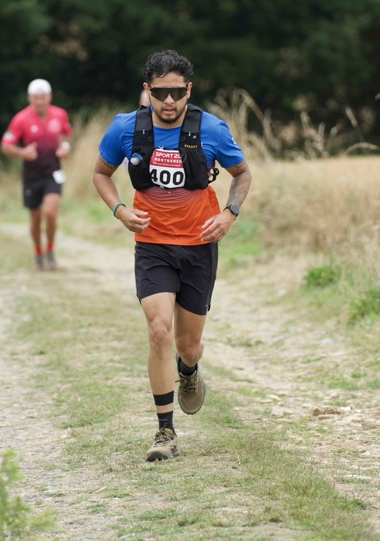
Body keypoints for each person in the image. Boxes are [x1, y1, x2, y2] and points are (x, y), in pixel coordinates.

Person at [92, 50, 252, 462]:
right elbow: (101, 173)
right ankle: (165, 431)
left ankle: (189, 370)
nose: (168, 101)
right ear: (147, 90)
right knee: (159, 330)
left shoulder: (211, 129)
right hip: (153, 246)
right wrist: (120, 210)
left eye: (177, 92)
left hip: (199, 247)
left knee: (188, 345)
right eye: (160, 92)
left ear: (189, 91)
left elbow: (242, 174)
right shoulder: (125, 128)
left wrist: (229, 214)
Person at [1, 78, 73, 270]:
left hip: (53, 172)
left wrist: (65, 147)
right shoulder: (21, 119)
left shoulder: (60, 114)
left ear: (49, 97)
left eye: (43, 97)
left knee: (50, 213)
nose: (39, 101)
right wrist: (22, 152)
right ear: (29, 98)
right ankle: (38, 252)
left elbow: (66, 135)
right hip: (31, 175)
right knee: (35, 217)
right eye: (35, 97)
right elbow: (5, 145)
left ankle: (50, 249)